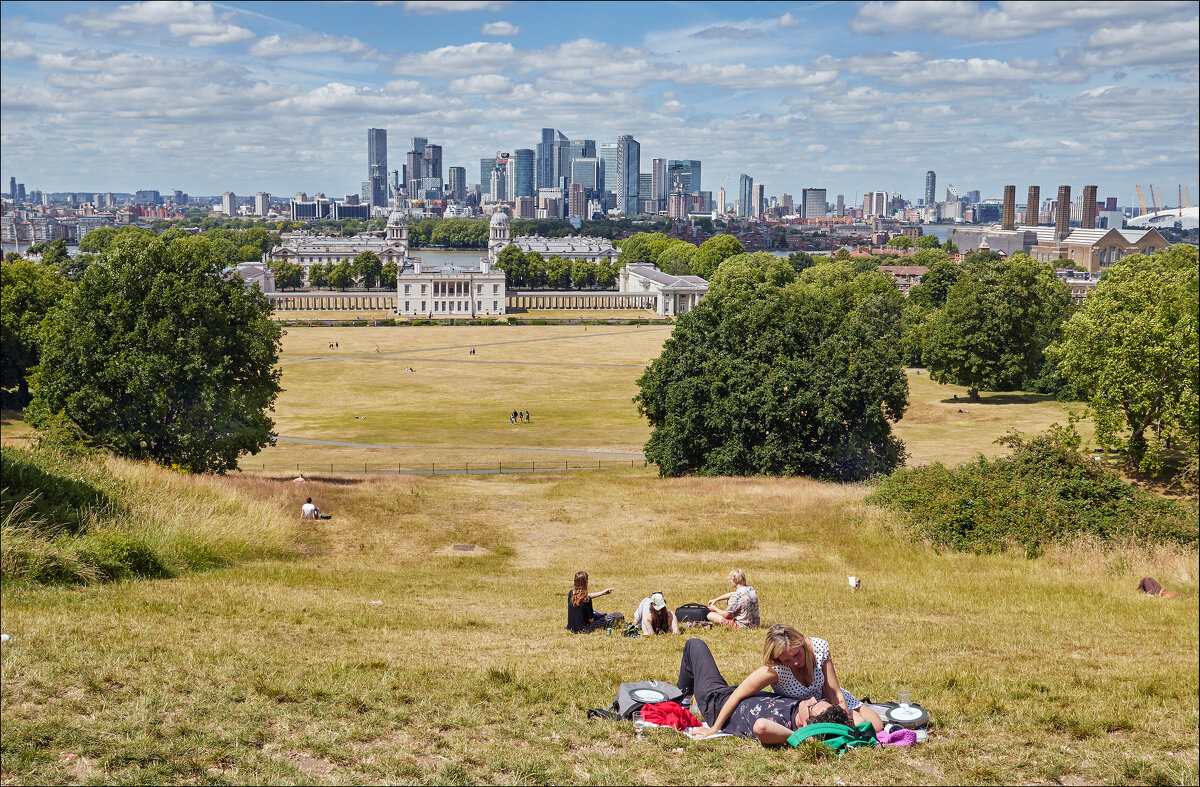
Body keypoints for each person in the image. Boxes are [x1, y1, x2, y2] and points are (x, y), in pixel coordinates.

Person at [694, 624, 884, 739]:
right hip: (810, 713)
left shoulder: (818, 648)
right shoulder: (775, 670)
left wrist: (844, 720)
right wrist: (714, 728)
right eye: (787, 659)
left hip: (830, 700)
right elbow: (738, 694)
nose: (795, 662)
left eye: (796, 654)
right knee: (861, 730)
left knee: (877, 726)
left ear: (801, 643)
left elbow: (834, 691)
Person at [678, 639, 856, 744]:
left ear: (806, 725)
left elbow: (761, 727)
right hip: (731, 693)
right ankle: (685, 700)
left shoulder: (781, 727)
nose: (811, 699)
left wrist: (714, 728)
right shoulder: (799, 709)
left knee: (695, 645)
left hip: (715, 701)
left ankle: (683, 701)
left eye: (814, 705)